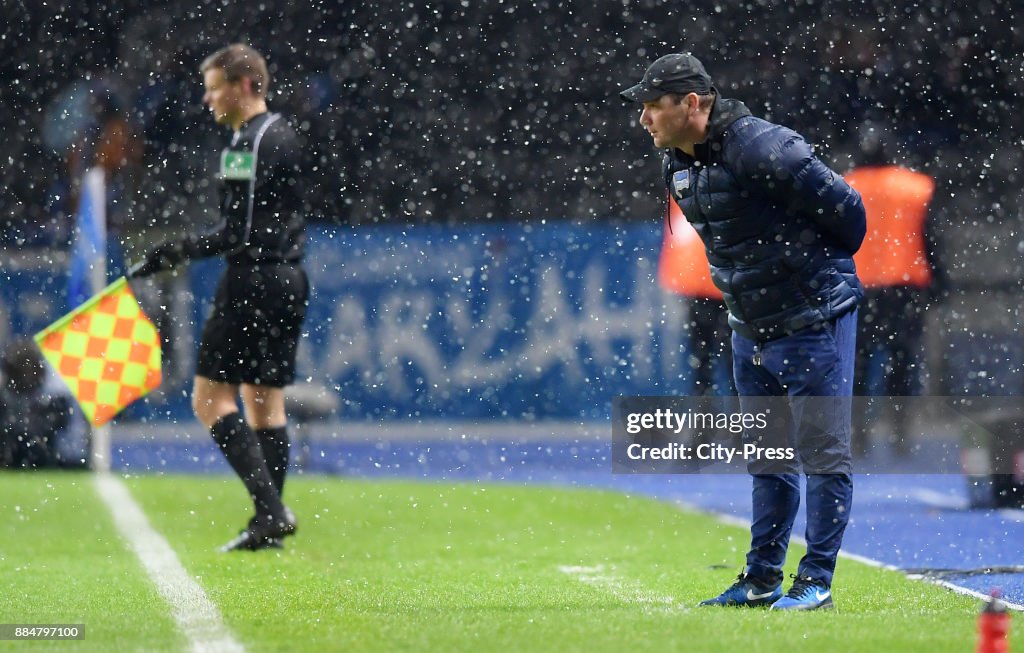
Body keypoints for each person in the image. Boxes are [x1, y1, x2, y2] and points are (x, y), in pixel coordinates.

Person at [622, 53, 866, 611]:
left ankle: (817, 581)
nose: (643, 119)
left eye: (652, 106)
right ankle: (761, 579)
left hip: (811, 319)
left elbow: (850, 215)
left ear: (692, 103)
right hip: (749, 326)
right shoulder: (677, 161)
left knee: (823, 453)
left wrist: (805, 280)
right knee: (769, 455)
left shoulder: (764, 147)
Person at [132, 44, 308, 552]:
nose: (207, 98)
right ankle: (266, 523)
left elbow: (238, 232)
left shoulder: (247, 143)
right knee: (264, 403)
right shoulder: (283, 134)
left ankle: (272, 511)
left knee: (210, 399)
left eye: (214, 87)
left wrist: (176, 251)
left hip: (252, 282)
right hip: (288, 278)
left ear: (245, 84)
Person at [846, 123, 942, 457]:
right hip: (904, 289)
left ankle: (858, 435)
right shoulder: (914, 187)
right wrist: (938, 284)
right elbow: (930, 239)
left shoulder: (845, 186)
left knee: (858, 365)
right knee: (902, 363)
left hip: (858, 289)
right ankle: (900, 434)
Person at [658, 198, 735, 397]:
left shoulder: (683, 179)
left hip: (698, 279)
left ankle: (705, 417)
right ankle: (739, 420)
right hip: (722, 280)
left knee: (703, 359)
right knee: (731, 360)